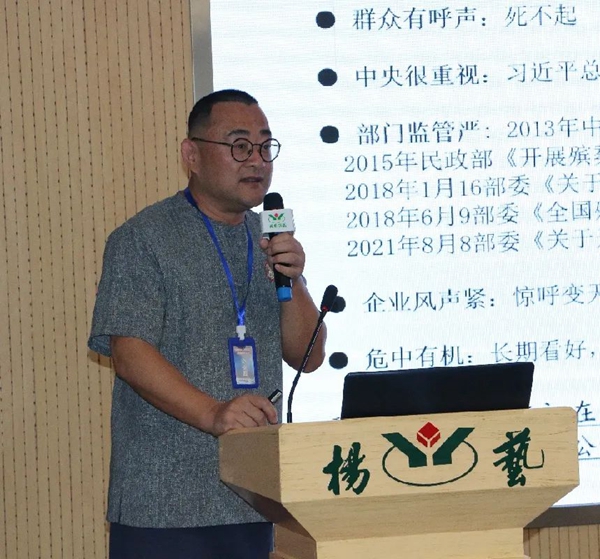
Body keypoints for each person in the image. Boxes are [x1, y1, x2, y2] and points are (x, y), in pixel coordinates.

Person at [88, 89, 326, 558]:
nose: (256, 160)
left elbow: (308, 355)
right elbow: (130, 353)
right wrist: (215, 414)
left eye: (265, 146)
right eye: (239, 146)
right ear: (192, 155)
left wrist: (294, 280)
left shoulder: (269, 238)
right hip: (164, 503)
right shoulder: (143, 239)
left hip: (254, 497)